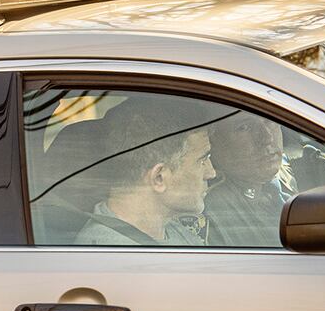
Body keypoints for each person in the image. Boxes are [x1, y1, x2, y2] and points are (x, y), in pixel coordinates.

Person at [74, 96, 217, 246]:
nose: (211, 172)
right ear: (159, 178)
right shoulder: (111, 255)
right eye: (202, 160)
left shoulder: (170, 232)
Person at [203, 111, 297, 247]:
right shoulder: (212, 210)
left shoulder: (288, 176)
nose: (267, 137)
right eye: (244, 127)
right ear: (212, 142)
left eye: (269, 121)